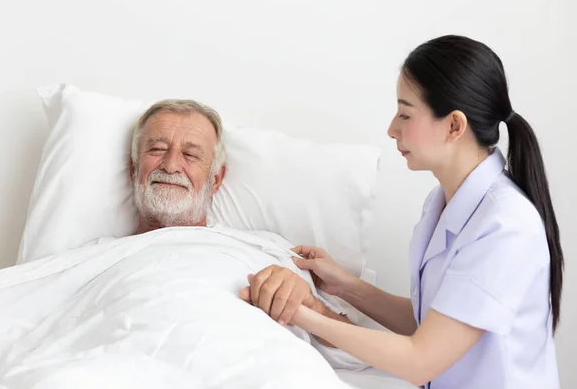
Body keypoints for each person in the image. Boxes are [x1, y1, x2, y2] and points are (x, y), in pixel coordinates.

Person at [242, 35, 563, 388]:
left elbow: (421, 361)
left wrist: (300, 312)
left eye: (405, 114)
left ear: (455, 125)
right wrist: (345, 286)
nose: (392, 128)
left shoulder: (505, 226)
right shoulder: (442, 202)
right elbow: (432, 322)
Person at [129, 98, 374, 371]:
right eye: (157, 149)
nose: (171, 165)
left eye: (190, 155)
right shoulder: (85, 260)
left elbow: (361, 356)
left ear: (216, 180)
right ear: (133, 170)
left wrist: (313, 309)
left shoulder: (267, 251)